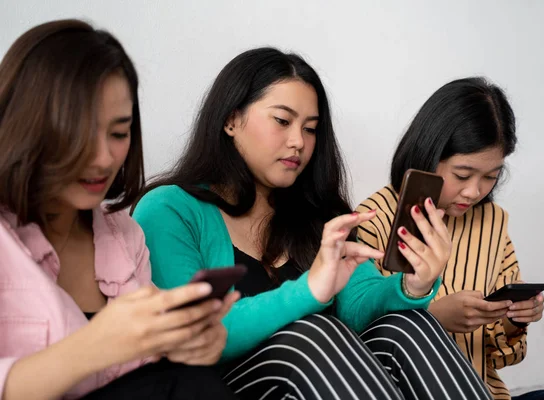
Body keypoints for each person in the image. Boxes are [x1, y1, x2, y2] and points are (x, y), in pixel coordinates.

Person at [133, 48, 492, 400]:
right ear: (230, 119)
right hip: (222, 386)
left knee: (412, 325)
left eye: (310, 128)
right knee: (312, 333)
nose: (298, 142)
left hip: (322, 382)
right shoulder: (169, 209)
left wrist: (412, 286)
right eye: (282, 121)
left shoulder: (317, 214)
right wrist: (310, 291)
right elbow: (196, 335)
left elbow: (359, 305)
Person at [0, 20, 238, 400]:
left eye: (118, 133)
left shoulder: (125, 237)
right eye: (76, 132)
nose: (102, 158)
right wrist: (96, 345)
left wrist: (194, 342)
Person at [356, 77, 544, 399]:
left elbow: (503, 357)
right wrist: (435, 318)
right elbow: (357, 347)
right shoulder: (373, 218)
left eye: (490, 176)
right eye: (462, 174)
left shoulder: (493, 222)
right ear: (429, 153)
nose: (474, 192)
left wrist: (515, 322)